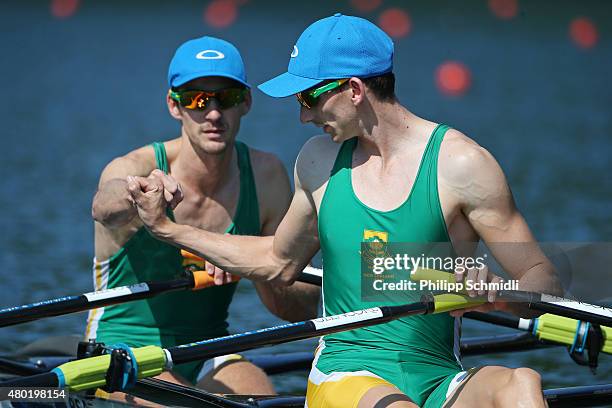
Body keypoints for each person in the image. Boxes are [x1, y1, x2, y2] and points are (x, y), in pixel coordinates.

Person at [127, 15, 562, 408]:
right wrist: (169, 230)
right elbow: (278, 262)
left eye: (308, 99)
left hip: (438, 379)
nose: (302, 117)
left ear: (354, 90)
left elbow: (545, 282)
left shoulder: (463, 166)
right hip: (345, 375)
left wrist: (501, 294)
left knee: (522, 383)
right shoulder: (318, 163)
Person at [86, 35, 320, 394]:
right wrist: (139, 192)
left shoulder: (266, 175)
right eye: (196, 99)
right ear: (173, 106)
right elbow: (103, 206)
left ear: (246, 103)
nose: (212, 113)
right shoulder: (135, 167)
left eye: (225, 98)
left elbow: (299, 309)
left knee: (259, 395)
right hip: (121, 348)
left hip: (209, 348)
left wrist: (249, 260)